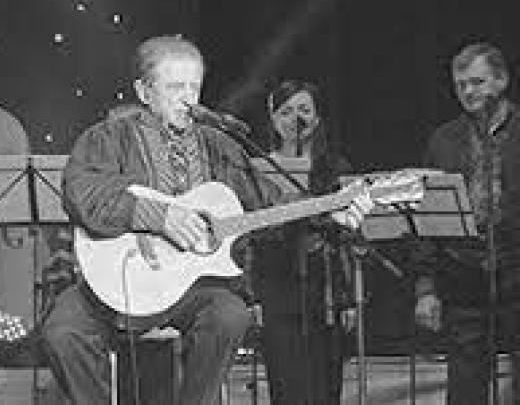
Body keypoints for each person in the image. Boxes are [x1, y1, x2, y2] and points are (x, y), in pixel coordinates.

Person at [41, 35, 373, 404]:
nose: (188, 98)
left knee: (229, 315)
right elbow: (83, 193)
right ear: (144, 91)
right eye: (175, 87)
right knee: (63, 331)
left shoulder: (220, 146)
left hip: (191, 291)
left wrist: (328, 211)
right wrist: (160, 216)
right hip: (118, 286)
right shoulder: (108, 138)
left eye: (194, 87)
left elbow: (270, 205)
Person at [414, 42, 520, 404]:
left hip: (516, 268)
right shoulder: (444, 140)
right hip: (463, 274)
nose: (468, 92)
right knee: (465, 385)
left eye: (477, 82)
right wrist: (426, 288)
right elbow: (427, 220)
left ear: (501, 81)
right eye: (461, 85)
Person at [255, 80, 354, 404]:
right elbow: (251, 237)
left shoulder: (334, 168)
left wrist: (348, 297)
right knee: (286, 382)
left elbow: (347, 236)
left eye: (304, 110)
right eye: (285, 112)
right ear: (273, 119)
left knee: (326, 383)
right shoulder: (258, 170)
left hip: (324, 288)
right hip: (277, 285)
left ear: (317, 117)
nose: (295, 119)